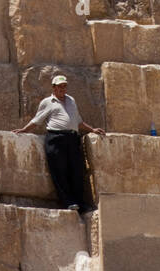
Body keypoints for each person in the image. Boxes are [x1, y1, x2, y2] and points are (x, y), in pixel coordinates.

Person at [15, 74, 105, 213]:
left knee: (77, 171)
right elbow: (37, 120)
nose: (63, 88)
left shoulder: (71, 100)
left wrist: (92, 129)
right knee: (59, 171)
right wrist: (24, 130)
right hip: (56, 138)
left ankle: (81, 203)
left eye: (64, 86)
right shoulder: (47, 102)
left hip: (73, 138)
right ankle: (68, 202)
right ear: (54, 87)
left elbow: (78, 121)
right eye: (60, 86)